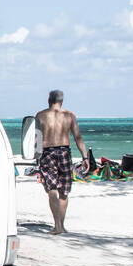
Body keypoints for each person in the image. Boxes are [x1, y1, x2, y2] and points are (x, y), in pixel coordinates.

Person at [35, 89, 89, 234]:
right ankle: (61, 226)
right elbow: (78, 137)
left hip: (48, 153)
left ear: (49, 100)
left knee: (52, 189)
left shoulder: (40, 116)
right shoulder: (69, 115)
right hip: (65, 152)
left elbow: (37, 139)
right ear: (61, 101)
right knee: (63, 191)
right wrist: (85, 157)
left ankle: (57, 226)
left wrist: (35, 158)